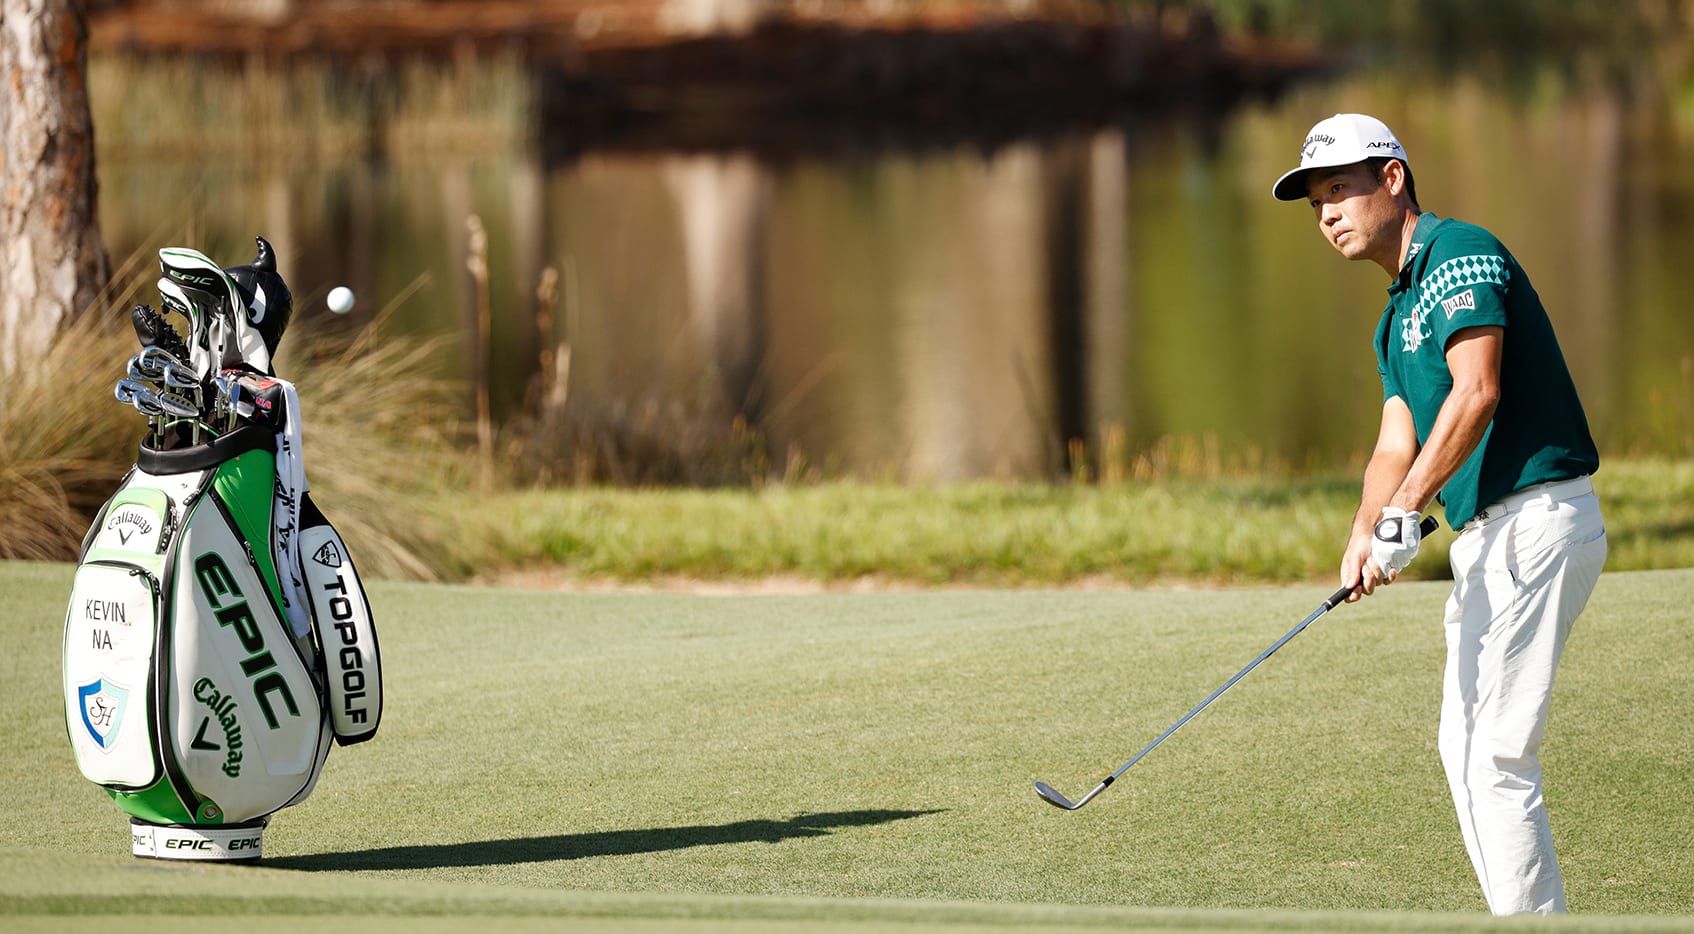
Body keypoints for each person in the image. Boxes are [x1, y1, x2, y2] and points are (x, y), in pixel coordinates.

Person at [1270, 113, 1608, 915]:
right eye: (1317, 201)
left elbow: (1478, 389)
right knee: (1463, 750)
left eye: (1341, 190)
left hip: (1537, 517)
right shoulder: (1395, 316)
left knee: (1496, 754)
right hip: (1490, 538)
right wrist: (1364, 531)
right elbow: (1395, 443)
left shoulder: (1458, 252)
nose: (1327, 213)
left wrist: (1402, 521)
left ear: (1393, 178)